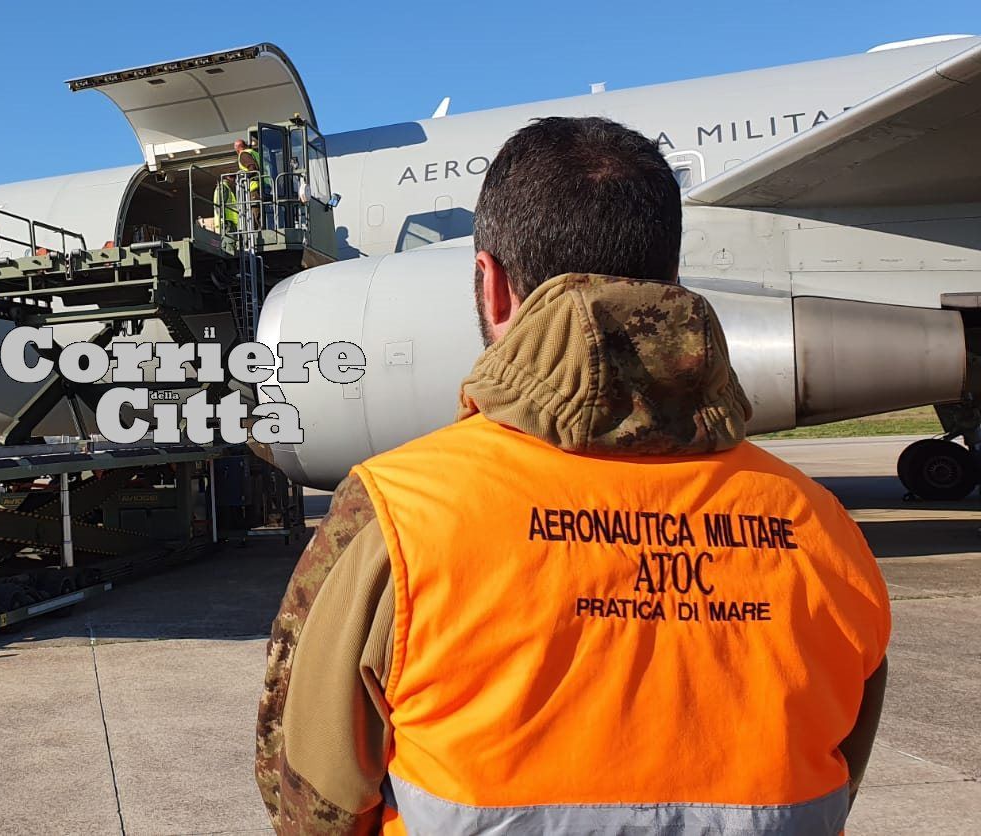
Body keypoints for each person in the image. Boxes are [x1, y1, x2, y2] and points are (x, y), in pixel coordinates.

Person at [256, 117, 890, 834]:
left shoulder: (400, 516)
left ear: (491, 287)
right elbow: (836, 774)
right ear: (671, 283)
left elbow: (311, 800)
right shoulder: (820, 527)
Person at [235, 138, 264, 229]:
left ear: (238, 148)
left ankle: (260, 232)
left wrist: (244, 178)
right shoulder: (254, 153)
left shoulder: (243, 154)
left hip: (255, 187)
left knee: (256, 212)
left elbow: (252, 168)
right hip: (264, 185)